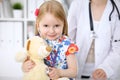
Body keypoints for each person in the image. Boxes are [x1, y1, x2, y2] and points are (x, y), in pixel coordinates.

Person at [22, 0, 78, 80]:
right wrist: (25, 66)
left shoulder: (68, 45)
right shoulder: (35, 42)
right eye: (46, 26)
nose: (51, 31)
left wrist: (59, 72)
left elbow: (74, 72)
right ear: (38, 26)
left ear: (63, 25)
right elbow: (27, 62)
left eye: (56, 25)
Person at [67, 0, 120, 80]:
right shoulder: (77, 5)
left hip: (105, 74)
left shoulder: (117, 8)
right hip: (75, 69)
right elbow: (68, 39)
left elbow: (118, 48)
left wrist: (105, 69)